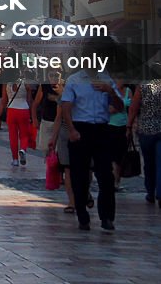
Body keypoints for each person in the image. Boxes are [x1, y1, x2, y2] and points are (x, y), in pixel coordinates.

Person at [60, 48, 124, 233]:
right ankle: (82, 215)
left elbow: (119, 107)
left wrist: (110, 91)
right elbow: (66, 106)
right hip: (81, 129)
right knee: (80, 175)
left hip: (102, 129)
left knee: (106, 175)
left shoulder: (106, 79)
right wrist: (71, 129)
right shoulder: (74, 80)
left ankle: (107, 217)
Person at [128, 62, 161, 209]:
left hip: (146, 130)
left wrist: (129, 125)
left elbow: (134, 108)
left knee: (149, 163)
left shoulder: (142, 87)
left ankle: (150, 192)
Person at [1, 71, 32, 167]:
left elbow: (4, 100)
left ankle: (15, 159)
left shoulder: (6, 84)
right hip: (24, 109)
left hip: (11, 110)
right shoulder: (26, 83)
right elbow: (29, 99)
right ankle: (22, 149)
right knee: (24, 134)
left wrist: (1, 112)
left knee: (12, 136)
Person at [107, 79, 132, 191]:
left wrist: (131, 126)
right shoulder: (109, 91)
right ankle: (112, 180)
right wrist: (118, 108)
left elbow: (131, 108)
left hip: (123, 125)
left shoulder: (128, 91)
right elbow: (108, 109)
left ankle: (117, 180)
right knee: (111, 155)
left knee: (120, 156)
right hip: (110, 125)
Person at [33, 70, 63, 155]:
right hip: (46, 121)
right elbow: (35, 103)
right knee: (47, 150)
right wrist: (34, 119)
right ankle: (49, 167)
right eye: (51, 75)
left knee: (58, 151)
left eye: (57, 75)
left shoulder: (64, 86)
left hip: (60, 123)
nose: (54, 78)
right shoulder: (44, 86)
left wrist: (59, 96)